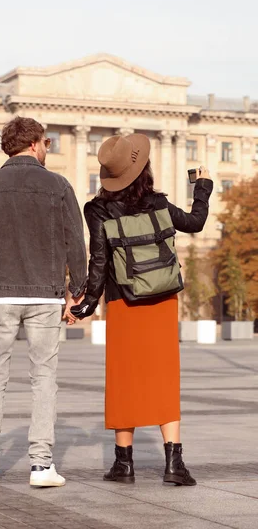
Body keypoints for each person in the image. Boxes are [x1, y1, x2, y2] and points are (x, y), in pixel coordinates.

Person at [72, 133, 213, 486]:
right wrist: (203, 186)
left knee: (123, 379)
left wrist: (86, 303)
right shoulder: (160, 204)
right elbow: (196, 223)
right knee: (164, 377)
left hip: (123, 302)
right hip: (163, 300)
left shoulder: (98, 210)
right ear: (144, 169)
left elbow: (99, 262)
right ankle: (174, 464)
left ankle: (124, 464)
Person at [0, 116, 87, 487]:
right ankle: (42, 467)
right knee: (43, 378)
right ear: (32, 143)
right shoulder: (59, 185)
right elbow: (75, 240)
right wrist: (78, 291)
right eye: (46, 142)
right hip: (45, 295)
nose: (48, 148)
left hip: (0, 296)